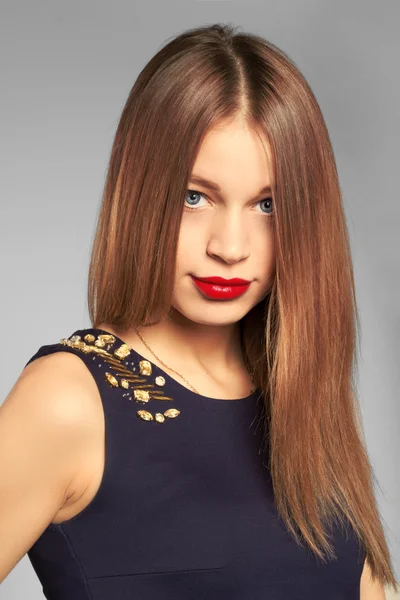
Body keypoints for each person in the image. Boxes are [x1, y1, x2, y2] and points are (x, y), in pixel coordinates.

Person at [0, 22, 397, 600]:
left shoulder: (302, 402)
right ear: (141, 191)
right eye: (196, 196)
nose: (230, 246)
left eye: (268, 204)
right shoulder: (69, 401)